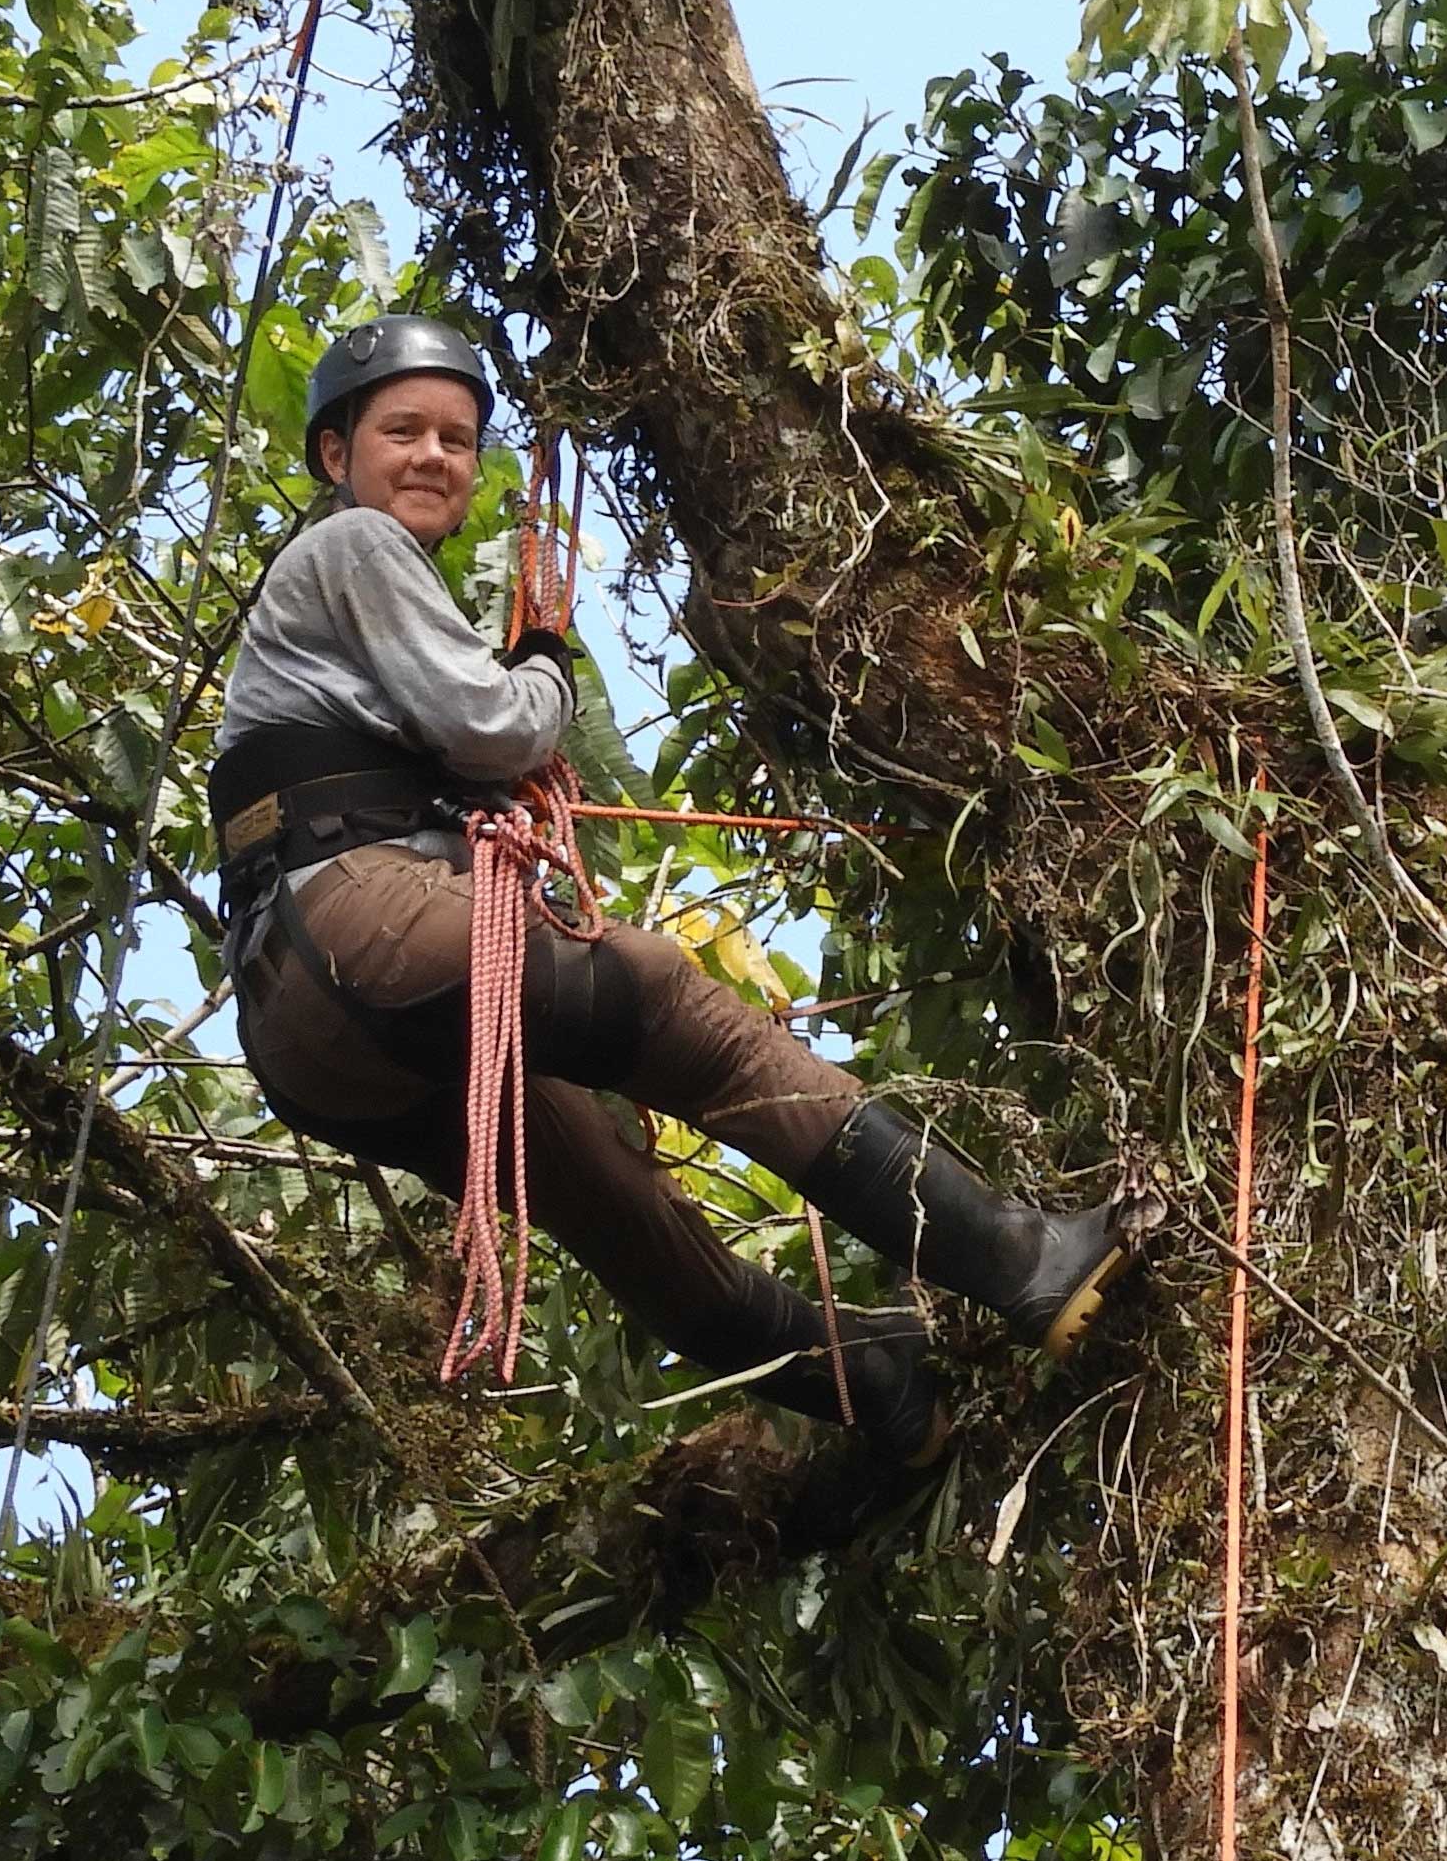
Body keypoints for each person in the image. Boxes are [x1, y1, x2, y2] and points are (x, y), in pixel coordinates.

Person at [210, 313, 1125, 1460]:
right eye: (403, 432)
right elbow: (490, 726)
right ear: (336, 456)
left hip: (310, 1030)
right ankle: (1019, 1259)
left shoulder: (327, 623)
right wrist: (542, 667)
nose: (436, 457)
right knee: (677, 1015)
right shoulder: (351, 550)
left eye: (458, 437)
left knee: (614, 1204)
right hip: (364, 926)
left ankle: (877, 1389)